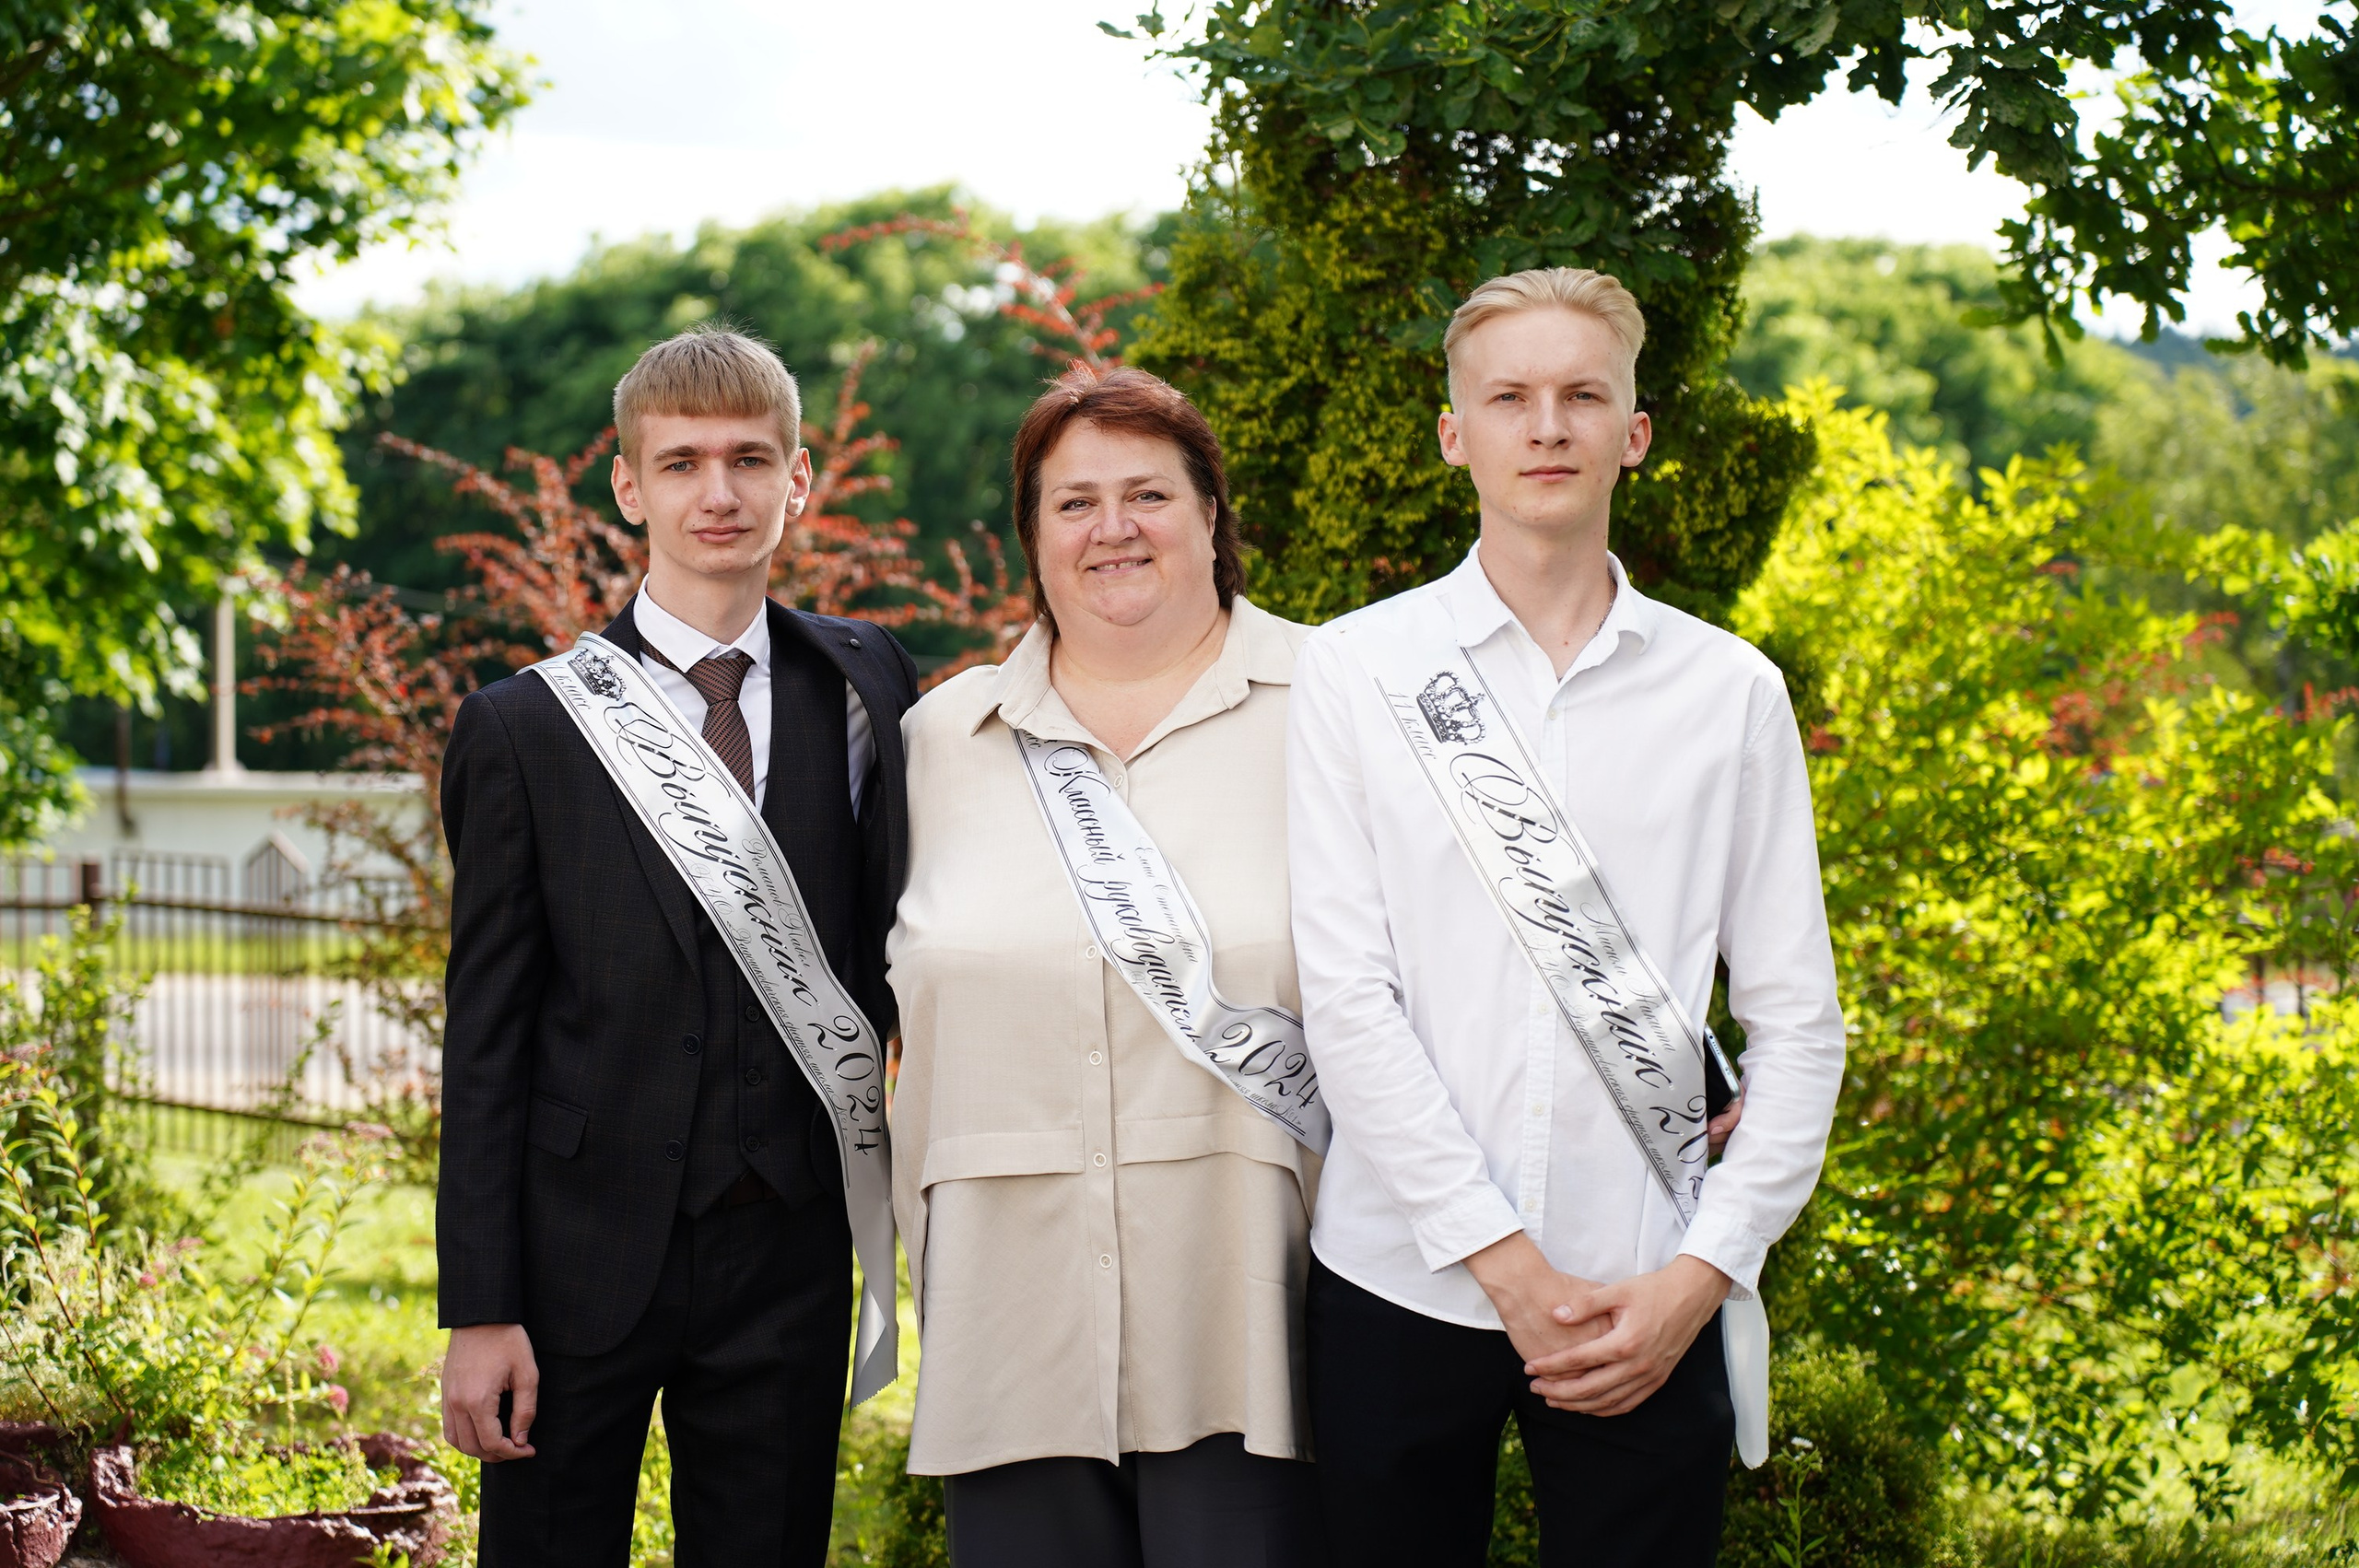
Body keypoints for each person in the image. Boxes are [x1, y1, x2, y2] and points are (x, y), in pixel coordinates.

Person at [1285, 268, 1846, 1567]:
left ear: (1632, 433)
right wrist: (1505, 1263)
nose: (1547, 426)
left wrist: (1704, 1273)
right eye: (1509, 398)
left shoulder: (1730, 692)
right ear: (1454, 433)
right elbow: (1348, 1000)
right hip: (1402, 1275)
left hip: (1647, 1285)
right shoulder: (1358, 670)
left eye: (1583, 396)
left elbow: (1800, 1027)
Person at [435, 324, 921, 1568]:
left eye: (750, 460)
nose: (720, 493)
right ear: (628, 486)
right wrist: (481, 1307)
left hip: (787, 1250)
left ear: (797, 479)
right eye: (683, 462)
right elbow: (485, 1035)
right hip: (575, 1253)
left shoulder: (867, 687)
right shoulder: (525, 727)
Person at [886, 363, 1325, 1568]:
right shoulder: (939, 741)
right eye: (1074, 502)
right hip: (1010, 1332)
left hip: (1258, 1323)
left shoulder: (1336, 705)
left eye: (1149, 494)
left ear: (1211, 515)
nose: (1112, 528)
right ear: (1031, 537)